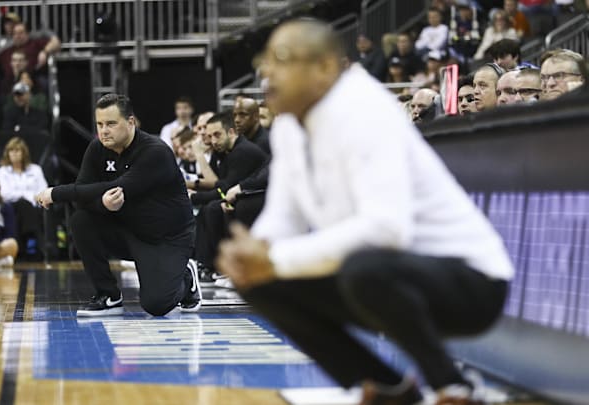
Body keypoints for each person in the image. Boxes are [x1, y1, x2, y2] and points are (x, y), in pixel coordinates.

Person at [217, 19, 513, 404]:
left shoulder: (365, 109)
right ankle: (387, 387)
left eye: (282, 59)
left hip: (471, 282)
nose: (266, 72)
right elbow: (284, 218)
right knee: (258, 282)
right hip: (388, 275)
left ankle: (454, 387)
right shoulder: (290, 125)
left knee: (363, 266)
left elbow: (385, 230)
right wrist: (254, 254)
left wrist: (272, 258)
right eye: (265, 60)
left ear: (325, 68)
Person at [34, 94, 201, 317]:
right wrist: (103, 204)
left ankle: (185, 276)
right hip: (129, 229)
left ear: (131, 122)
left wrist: (56, 192)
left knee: (157, 305)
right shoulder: (97, 148)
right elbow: (84, 191)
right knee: (81, 220)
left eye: (111, 124)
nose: (104, 131)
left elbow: (119, 186)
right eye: (100, 124)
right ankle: (108, 295)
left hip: (166, 237)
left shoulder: (155, 151)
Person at [0, 137, 48, 259]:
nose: (14, 153)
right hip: (11, 208)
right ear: (7, 153)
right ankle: (35, 237)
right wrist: (29, 196)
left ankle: (21, 246)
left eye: (17, 150)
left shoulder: (36, 170)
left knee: (26, 207)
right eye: (11, 150)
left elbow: (43, 190)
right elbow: (4, 193)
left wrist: (33, 198)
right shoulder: (2, 172)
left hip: (36, 207)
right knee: (21, 204)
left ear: (24, 153)